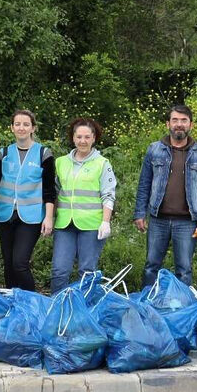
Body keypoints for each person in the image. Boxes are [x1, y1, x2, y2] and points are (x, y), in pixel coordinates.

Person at [132, 105, 197, 287]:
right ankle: (148, 305)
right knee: (151, 266)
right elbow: (144, 183)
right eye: (175, 120)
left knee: (184, 269)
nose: (179, 124)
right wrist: (139, 213)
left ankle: (183, 309)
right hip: (157, 219)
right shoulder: (154, 149)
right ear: (168, 123)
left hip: (188, 221)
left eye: (184, 121)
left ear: (190, 124)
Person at [0, 110, 55, 290]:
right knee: (8, 264)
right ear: (11, 127)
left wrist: (49, 218)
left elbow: (49, 190)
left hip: (30, 216)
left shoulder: (44, 154)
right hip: (4, 214)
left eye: (26, 124)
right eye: (17, 124)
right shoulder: (4, 153)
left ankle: (31, 303)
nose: (21, 128)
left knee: (19, 263)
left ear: (33, 128)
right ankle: (12, 304)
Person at [49, 118, 116, 292]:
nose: (82, 141)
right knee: (59, 270)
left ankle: (85, 310)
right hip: (64, 224)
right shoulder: (61, 162)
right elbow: (55, 192)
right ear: (73, 138)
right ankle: (57, 307)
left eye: (87, 137)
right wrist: (49, 218)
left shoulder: (102, 164)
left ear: (94, 138)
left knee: (87, 271)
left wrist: (106, 221)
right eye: (79, 137)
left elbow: (108, 194)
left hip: (92, 225)